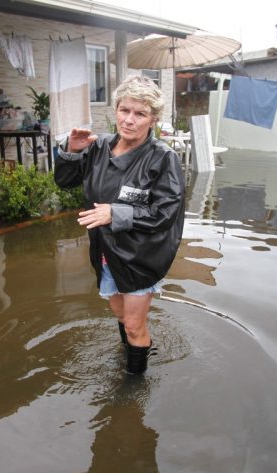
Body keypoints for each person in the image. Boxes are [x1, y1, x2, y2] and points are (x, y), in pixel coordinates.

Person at [54, 75, 185, 374]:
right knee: (123, 317)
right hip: (105, 250)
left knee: (136, 324)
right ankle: (131, 352)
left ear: (153, 120)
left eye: (140, 114)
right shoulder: (97, 147)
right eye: (124, 110)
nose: (129, 120)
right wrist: (71, 152)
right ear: (116, 110)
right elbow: (64, 181)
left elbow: (166, 213)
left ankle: (134, 385)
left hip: (140, 255)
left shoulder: (162, 158)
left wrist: (116, 213)